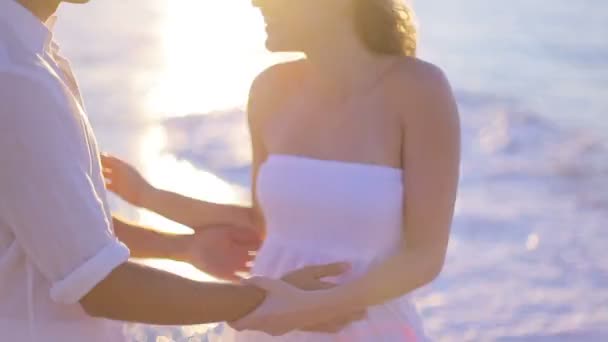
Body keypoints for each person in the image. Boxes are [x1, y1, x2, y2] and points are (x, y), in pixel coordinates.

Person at [0, 1, 361, 341]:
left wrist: (184, 247)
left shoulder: (33, 52)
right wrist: (267, 300)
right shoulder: (17, 75)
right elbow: (99, 287)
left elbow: (59, 231)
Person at [103, 0, 461, 339]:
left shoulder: (419, 90)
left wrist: (310, 307)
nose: (257, 2)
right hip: (269, 324)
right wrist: (148, 197)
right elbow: (267, 225)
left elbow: (424, 256)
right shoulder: (269, 89)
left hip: (367, 329)